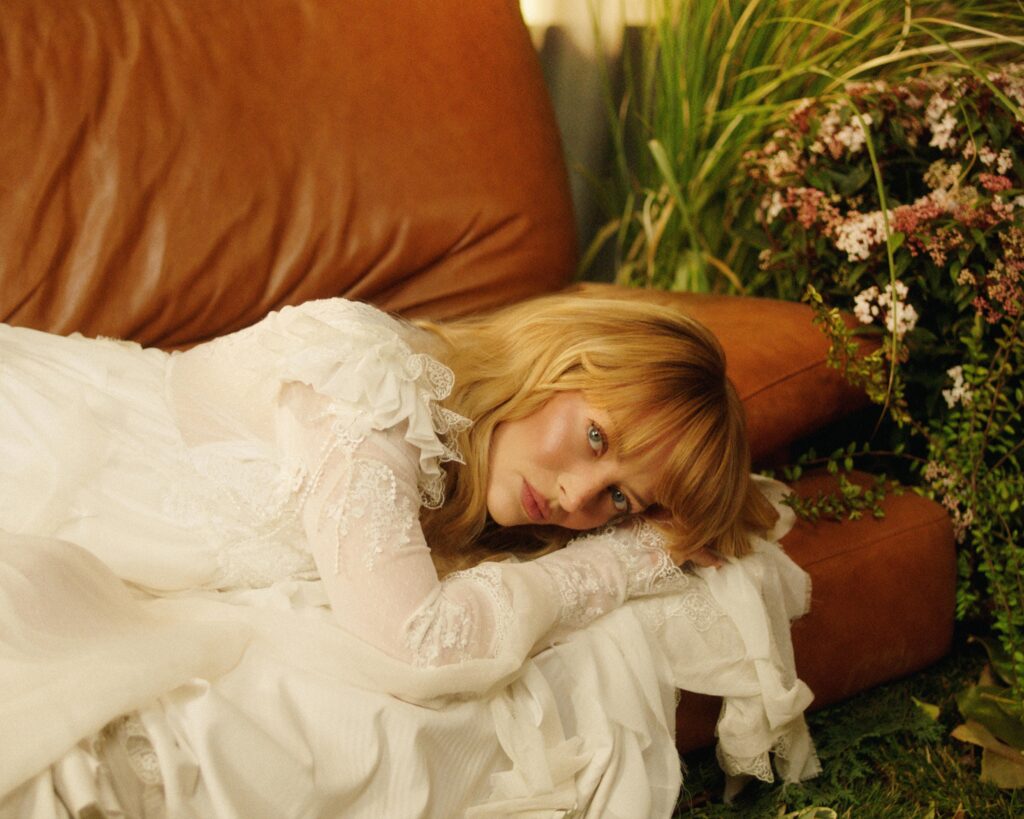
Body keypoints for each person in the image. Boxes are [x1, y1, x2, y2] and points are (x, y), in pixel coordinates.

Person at [0, 293, 818, 818]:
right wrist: (624, 560)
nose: (577, 496)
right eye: (596, 438)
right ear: (556, 361)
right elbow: (416, 641)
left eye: (620, 501)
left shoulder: (477, 460)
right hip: (36, 437)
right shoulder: (371, 386)